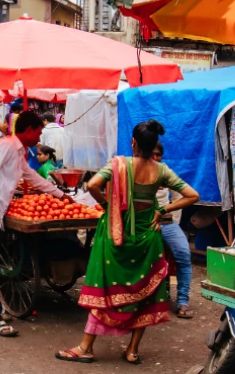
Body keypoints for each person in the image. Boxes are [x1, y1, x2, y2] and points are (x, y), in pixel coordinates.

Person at [57, 120, 199, 364]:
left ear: (133, 142)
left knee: (106, 289)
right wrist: (163, 211)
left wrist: (108, 205)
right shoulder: (161, 170)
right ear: (153, 145)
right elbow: (192, 195)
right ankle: (132, 350)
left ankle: (86, 347)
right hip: (148, 238)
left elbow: (92, 185)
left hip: (116, 234)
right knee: (144, 293)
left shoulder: (118, 164)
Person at [0, 112, 67, 338]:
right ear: (29, 129)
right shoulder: (5, 145)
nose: (40, 136)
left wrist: (60, 195)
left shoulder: (20, 151)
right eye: (39, 131)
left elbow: (32, 177)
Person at [152, 143, 195, 320]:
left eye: (158, 155)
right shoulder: (136, 171)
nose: (155, 158)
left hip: (166, 221)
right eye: (152, 154)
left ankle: (183, 301)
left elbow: (180, 196)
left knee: (184, 253)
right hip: (145, 223)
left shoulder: (165, 172)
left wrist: (172, 220)